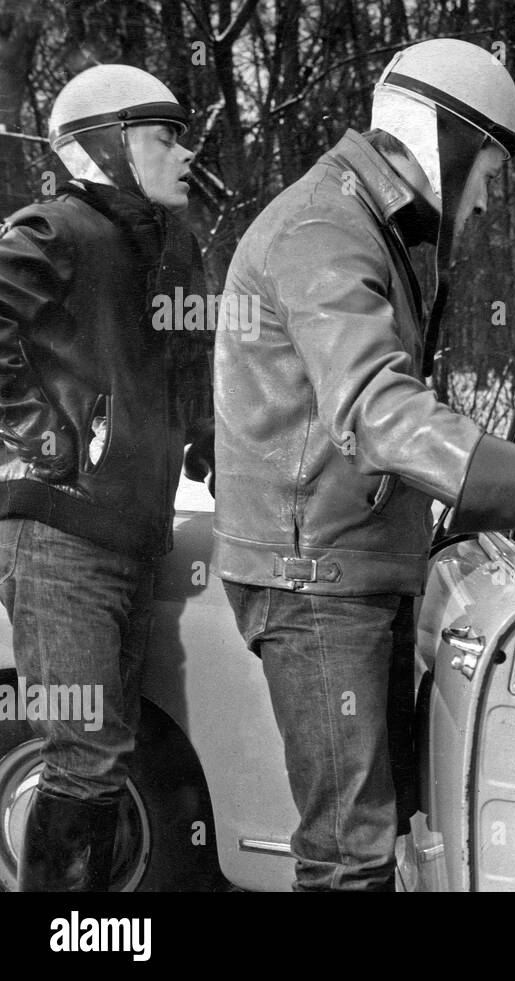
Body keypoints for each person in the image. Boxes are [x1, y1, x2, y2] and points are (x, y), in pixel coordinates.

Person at [212, 38, 515, 892]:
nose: (484, 204)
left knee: (379, 833)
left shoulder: (358, 220)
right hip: (316, 574)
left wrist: (503, 489)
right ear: (449, 138)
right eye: (489, 174)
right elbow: (379, 411)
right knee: (349, 850)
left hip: (342, 559)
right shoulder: (325, 228)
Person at [0, 64, 209, 890]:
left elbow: (163, 375)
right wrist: (45, 435)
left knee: (105, 751)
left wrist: (200, 440)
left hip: (127, 536)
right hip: (60, 537)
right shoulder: (55, 229)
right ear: (107, 146)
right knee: (84, 754)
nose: (184, 153)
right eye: (164, 136)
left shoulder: (155, 249)